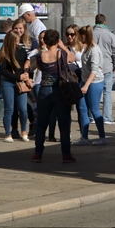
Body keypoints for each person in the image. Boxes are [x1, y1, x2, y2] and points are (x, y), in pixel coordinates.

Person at [31, 29, 75, 163]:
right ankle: (66, 154)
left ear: (45, 41)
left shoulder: (40, 55)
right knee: (64, 123)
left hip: (44, 89)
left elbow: (38, 67)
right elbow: (72, 58)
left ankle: (38, 153)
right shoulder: (61, 53)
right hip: (60, 90)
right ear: (57, 40)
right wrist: (62, 46)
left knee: (41, 123)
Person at [74, 25, 107, 146]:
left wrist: (86, 85)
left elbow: (94, 70)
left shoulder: (94, 50)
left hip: (95, 81)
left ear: (83, 36)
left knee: (94, 110)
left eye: (79, 37)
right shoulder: (87, 48)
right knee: (82, 108)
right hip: (85, 80)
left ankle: (102, 137)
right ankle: (84, 137)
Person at [0, 30, 31, 143]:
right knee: (9, 109)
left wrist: (26, 75)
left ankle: (24, 131)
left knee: (23, 109)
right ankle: (8, 133)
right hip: (8, 82)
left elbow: (25, 64)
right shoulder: (4, 53)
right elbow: (3, 71)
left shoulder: (22, 51)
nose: (18, 43)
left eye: (19, 40)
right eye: (16, 41)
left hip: (21, 82)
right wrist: (18, 77)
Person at [93, 14, 115, 125]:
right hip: (107, 66)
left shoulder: (91, 33)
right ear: (104, 22)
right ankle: (107, 117)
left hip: (93, 67)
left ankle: (91, 116)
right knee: (107, 92)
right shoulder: (110, 34)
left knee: (93, 92)